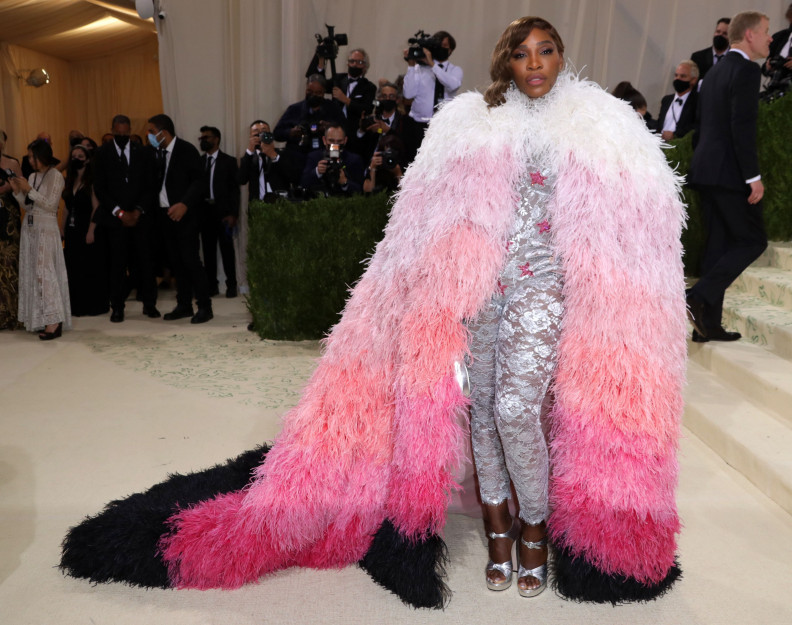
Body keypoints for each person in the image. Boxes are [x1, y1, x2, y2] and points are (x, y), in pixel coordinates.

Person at [61, 16, 685, 609]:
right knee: (483, 414)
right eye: (522, 53)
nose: (535, 63)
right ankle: (499, 529)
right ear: (506, 63)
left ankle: (535, 530)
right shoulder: (469, 122)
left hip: (546, 293)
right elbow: (419, 217)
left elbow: (638, 222)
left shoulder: (601, 124)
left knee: (519, 408)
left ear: (562, 56)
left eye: (545, 50)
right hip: (476, 295)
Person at [687, 11, 772, 342]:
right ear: (749, 35)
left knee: (718, 245)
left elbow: (703, 127)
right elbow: (742, 127)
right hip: (730, 173)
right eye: (766, 32)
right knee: (753, 240)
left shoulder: (715, 71)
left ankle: (708, 325)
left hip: (706, 171)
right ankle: (696, 295)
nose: (770, 38)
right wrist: (753, 176)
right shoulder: (748, 71)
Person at [92, 114, 159, 322]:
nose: (122, 135)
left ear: (130, 131)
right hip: (115, 219)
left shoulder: (144, 153)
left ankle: (150, 304)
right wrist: (119, 212)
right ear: (112, 131)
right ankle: (118, 307)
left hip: (140, 218)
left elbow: (151, 185)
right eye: (118, 133)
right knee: (118, 264)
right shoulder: (102, 154)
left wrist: (138, 211)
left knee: (146, 262)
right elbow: (100, 188)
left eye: (125, 132)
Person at [147, 113, 212, 324]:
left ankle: (204, 306)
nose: (149, 136)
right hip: (165, 215)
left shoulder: (186, 150)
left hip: (185, 214)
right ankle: (183, 305)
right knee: (176, 262)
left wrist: (184, 203)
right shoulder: (157, 153)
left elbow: (199, 182)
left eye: (151, 131)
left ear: (162, 132)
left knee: (191, 260)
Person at [10, 139, 71, 339]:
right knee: (34, 273)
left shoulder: (56, 176)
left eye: (32, 156)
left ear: (42, 156)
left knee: (46, 274)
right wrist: (18, 192)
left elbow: (51, 204)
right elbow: (28, 206)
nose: (30, 160)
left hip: (47, 229)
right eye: (28, 156)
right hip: (31, 228)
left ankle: (54, 321)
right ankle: (39, 318)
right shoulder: (33, 176)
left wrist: (29, 190)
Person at [273, 75, 346, 186]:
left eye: (318, 93)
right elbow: (277, 133)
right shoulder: (294, 109)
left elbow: (345, 131)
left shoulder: (333, 109)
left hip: (324, 157)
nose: (313, 95)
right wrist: (291, 132)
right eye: (310, 91)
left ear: (324, 92)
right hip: (297, 158)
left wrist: (329, 127)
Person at [63, 144, 109, 316]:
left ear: (88, 159)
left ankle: (93, 305)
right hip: (72, 230)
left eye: (80, 156)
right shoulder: (70, 180)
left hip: (88, 228)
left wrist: (91, 231)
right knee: (74, 267)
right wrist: (62, 228)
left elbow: (96, 208)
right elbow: (66, 208)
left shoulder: (92, 182)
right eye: (73, 156)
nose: (76, 159)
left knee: (89, 267)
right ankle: (76, 305)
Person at [402, 30, 463, 159]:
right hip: (418, 125)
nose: (440, 48)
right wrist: (411, 66)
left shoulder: (455, 70)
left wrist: (432, 64)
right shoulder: (419, 69)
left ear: (450, 50)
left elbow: (453, 85)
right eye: (437, 45)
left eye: (444, 46)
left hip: (443, 127)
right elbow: (408, 94)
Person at [198, 126, 240, 298]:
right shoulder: (199, 162)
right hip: (205, 211)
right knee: (208, 251)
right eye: (201, 138)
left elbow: (234, 190)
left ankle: (231, 285)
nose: (203, 141)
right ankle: (211, 285)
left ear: (216, 139)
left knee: (227, 250)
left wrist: (233, 214)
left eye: (206, 137)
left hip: (223, 212)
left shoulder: (228, 161)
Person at [0, 130, 24, 329]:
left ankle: (13, 313)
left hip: (9, 220)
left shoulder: (12, 163)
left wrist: (9, 188)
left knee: (10, 263)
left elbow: (23, 187)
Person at [300, 123, 364, 196]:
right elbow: (303, 184)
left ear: (345, 140)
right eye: (331, 141)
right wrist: (317, 171)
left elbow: (361, 191)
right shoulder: (314, 157)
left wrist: (344, 182)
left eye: (339, 141)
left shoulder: (354, 160)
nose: (335, 145)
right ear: (324, 140)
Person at [238, 120, 292, 202]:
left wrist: (274, 156)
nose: (260, 135)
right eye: (256, 132)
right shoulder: (248, 157)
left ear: (270, 135)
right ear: (250, 137)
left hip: (280, 204)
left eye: (264, 131)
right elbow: (242, 180)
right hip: (257, 205)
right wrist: (249, 151)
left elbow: (291, 176)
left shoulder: (282, 154)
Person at [331, 48, 377, 141]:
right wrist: (320, 60)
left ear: (365, 66)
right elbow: (319, 82)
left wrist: (346, 100)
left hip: (355, 132)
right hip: (335, 130)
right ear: (348, 63)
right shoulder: (338, 79)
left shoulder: (369, 87)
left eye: (359, 62)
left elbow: (367, 109)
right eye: (352, 61)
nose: (354, 65)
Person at [655, 60, 699, 141]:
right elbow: (659, 123)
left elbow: (696, 126)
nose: (678, 78)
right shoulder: (666, 100)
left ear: (693, 80)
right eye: (676, 75)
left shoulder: (698, 101)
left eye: (683, 76)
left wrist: (675, 134)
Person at [762, 2, 792, 91]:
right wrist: (768, 67)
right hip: (776, 90)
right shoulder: (779, 37)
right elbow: (764, 67)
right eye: (791, 21)